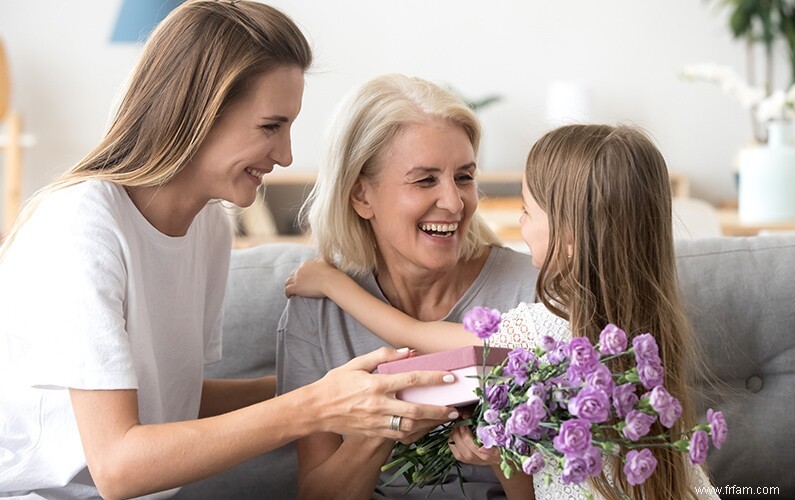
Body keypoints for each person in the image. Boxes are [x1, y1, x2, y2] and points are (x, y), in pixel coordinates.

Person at [0, 3, 466, 499]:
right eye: (270, 127)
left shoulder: (208, 226)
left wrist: (342, 384)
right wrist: (313, 406)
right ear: (196, 112)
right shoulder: (82, 224)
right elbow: (117, 467)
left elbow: (172, 401)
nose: (286, 154)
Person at [286, 124, 721, 500]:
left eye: (527, 212)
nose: (519, 225)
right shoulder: (646, 331)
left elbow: (414, 332)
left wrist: (331, 283)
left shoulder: (540, 328)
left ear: (568, 237)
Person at [275, 73, 539, 499]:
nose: (454, 203)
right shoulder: (317, 310)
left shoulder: (531, 296)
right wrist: (382, 425)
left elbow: (572, 484)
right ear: (361, 196)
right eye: (424, 180)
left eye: (465, 177)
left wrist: (505, 450)